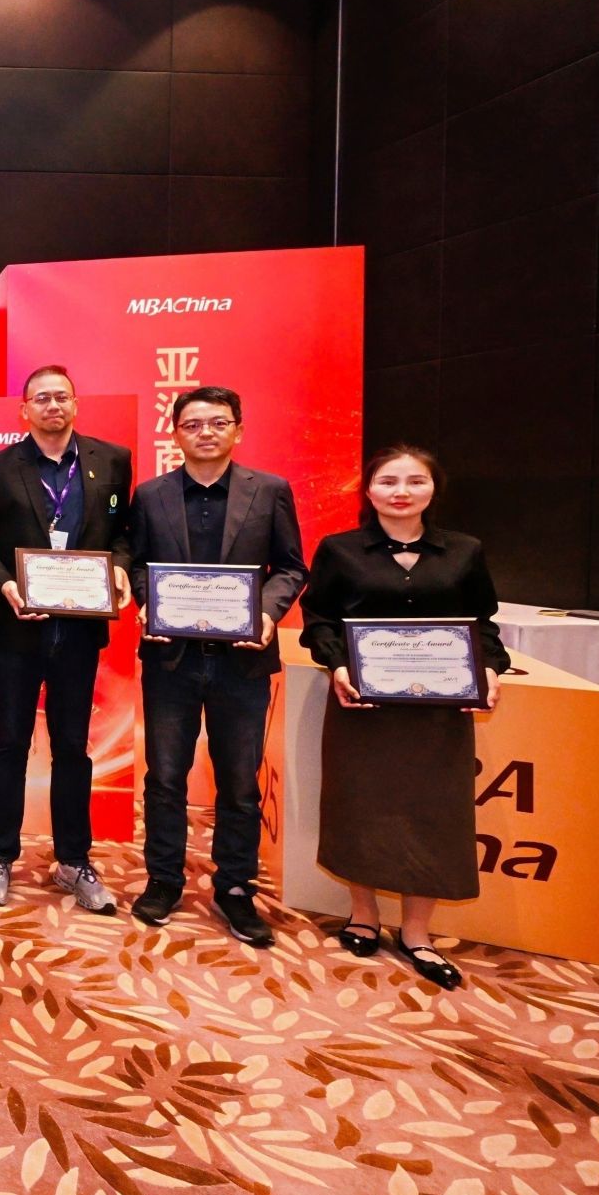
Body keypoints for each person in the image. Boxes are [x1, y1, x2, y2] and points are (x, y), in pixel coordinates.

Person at [300, 445, 506, 990]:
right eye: (388, 481)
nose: (401, 492)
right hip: (363, 705)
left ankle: (417, 932)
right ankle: (363, 914)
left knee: (435, 813)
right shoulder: (340, 550)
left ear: (433, 489)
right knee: (359, 805)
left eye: (415, 481)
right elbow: (319, 619)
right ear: (368, 490)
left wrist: (489, 669)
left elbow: (483, 623)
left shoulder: (465, 551)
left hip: (438, 712)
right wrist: (337, 666)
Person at [126, 387, 307, 946]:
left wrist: (267, 613)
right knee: (165, 777)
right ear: (176, 434)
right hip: (171, 661)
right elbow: (136, 565)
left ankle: (234, 887)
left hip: (242, 663)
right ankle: (163, 879)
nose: (205, 432)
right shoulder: (150, 494)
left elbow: (291, 567)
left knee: (239, 783)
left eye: (218, 423)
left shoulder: (269, 490)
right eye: (193, 424)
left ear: (238, 430)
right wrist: (147, 602)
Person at [0, 365, 133, 914]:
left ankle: (73, 859)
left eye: (62, 396)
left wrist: (119, 569)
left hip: (80, 631)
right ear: (24, 410)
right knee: (9, 742)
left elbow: (124, 535)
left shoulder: (113, 461)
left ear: (75, 404)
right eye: (41, 398)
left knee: (72, 747)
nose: (53, 406)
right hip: (18, 628)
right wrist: (5, 586)